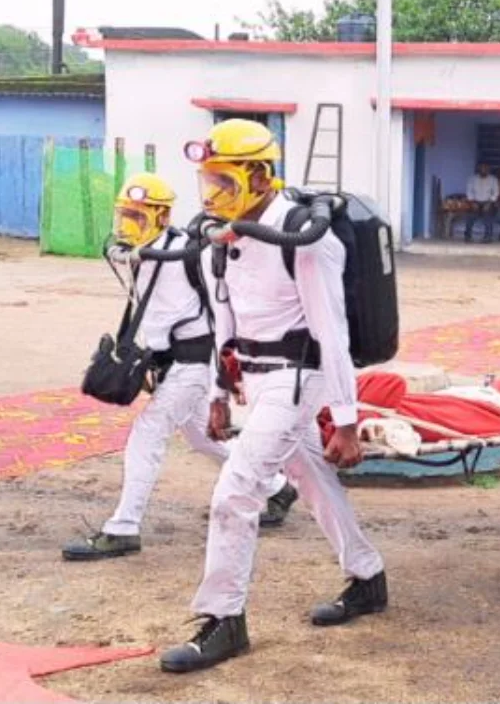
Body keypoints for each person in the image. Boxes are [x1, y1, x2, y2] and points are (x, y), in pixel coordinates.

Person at [160, 119, 386, 673]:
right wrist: (218, 392)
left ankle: (224, 619)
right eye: (207, 181)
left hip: (297, 377)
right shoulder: (226, 236)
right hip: (256, 380)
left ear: (260, 176)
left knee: (234, 493)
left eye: (224, 181)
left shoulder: (308, 239)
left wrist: (348, 420)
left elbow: (332, 332)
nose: (212, 194)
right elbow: (224, 321)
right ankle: (367, 575)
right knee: (310, 476)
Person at [62, 173, 298, 562]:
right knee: (204, 439)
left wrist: (231, 363)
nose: (126, 228)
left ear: (160, 216)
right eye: (123, 217)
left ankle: (123, 527)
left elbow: (227, 300)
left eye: (136, 218)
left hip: (194, 361)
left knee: (147, 432)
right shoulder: (141, 256)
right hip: (169, 362)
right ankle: (276, 487)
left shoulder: (190, 253)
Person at [465, 162, 499, 243]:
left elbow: (496, 192)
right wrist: (472, 202)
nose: (483, 170)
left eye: (485, 169)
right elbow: (469, 191)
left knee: (488, 217)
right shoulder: (472, 179)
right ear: (478, 169)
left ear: (488, 170)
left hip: (488, 202)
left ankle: (487, 237)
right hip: (475, 202)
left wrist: (489, 202)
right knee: (470, 217)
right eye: (481, 168)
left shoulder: (493, 179)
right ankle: (467, 236)